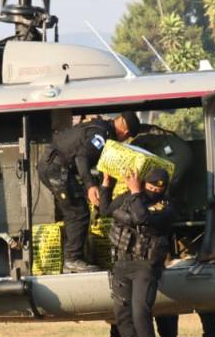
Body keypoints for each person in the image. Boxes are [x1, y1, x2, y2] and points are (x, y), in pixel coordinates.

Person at [37, 111, 141, 273]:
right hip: (57, 169)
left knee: (74, 210)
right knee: (78, 212)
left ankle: (73, 257)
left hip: (53, 166)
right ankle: (72, 259)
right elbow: (82, 157)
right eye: (127, 138)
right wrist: (90, 186)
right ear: (126, 132)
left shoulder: (99, 127)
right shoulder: (102, 135)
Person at [102, 167, 176, 337]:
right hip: (122, 263)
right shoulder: (130, 197)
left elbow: (141, 218)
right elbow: (105, 210)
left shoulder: (166, 206)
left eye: (158, 189)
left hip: (145, 264)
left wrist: (135, 193)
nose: (154, 191)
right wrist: (107, 183)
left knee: (140, 311)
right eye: (151, 187)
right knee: (122, 313)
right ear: (145, 183)